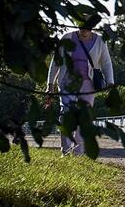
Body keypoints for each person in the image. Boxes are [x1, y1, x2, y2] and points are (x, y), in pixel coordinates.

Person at [46, 16, 115, 156]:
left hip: (88, 84)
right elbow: (56, 62)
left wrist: (110, 82)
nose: (83, 31)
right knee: (66, 114)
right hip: (67, 82)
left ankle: (78, 152)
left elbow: (106, 63)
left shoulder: (100, 41)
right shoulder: (67, 38)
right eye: (81, 28)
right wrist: (50, 84)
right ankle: (65, 151)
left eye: (87, 29)